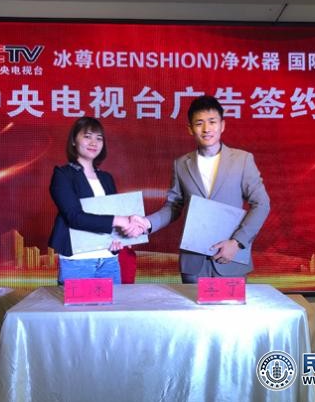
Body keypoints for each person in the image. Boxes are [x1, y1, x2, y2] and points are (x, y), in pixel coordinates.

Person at [133, 95, 270, 283]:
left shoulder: (242, 160)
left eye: (212, 122)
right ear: (190, 128)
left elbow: (262, 204)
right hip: (194, 263)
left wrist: (237, 242)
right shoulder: (181, 164)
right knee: (192, 304)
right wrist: (148, 223)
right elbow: (173, 206)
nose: (206, 129)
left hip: (230, 258)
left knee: (231, 304)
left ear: (222, 125)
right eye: (199, 123)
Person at [48, 117, 142, 285]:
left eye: (99, 138)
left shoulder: (106, 178)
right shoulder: (63, 175)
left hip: (108, 259)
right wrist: (119, 220)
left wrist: (119, 238)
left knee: (112, 303)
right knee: (79, 304)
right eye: (87, 136)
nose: (94, 142)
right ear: (74, 141)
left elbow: (112, 214)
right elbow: (74, 217)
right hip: (77, 261)